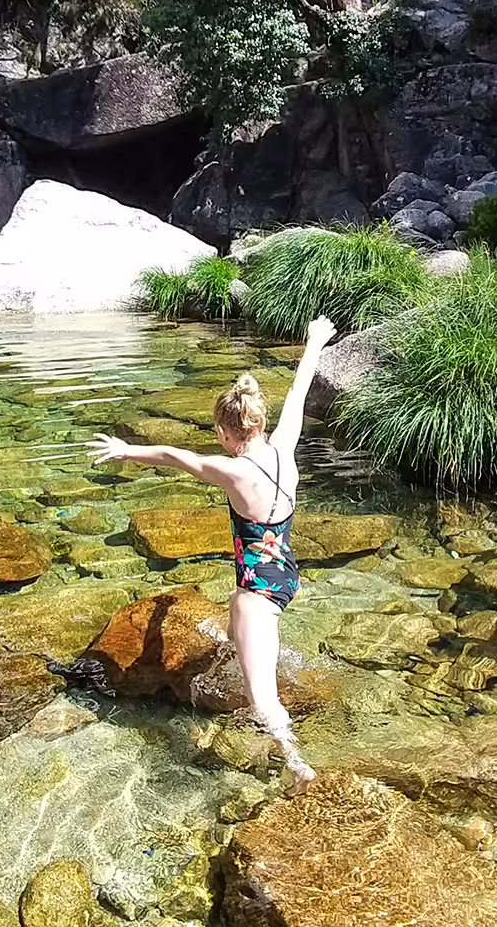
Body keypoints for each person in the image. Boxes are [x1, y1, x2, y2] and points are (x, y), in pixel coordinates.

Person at [88, 315, 337, 790]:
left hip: (257, 593)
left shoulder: (234, 471)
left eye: (217, 431)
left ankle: (295, 760)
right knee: (237, 624)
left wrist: (126, 451)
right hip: (285, 576)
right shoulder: (284, 448)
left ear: (226, 431)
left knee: (260, 695)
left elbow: (175, 457)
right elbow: (299, 395)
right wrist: (313, 342)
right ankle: (244, 646)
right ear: (261, 422)